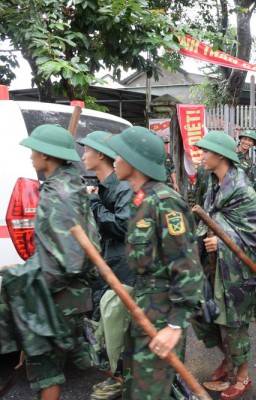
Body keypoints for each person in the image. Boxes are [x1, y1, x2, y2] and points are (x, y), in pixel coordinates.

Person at [0, 124, 100, 400]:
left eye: (34, 150)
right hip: (67, 295)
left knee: (47, 370)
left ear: (46, 155)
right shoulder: (68, 182)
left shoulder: (59, 194)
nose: (31, 156)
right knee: (52, 363)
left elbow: (68, 259)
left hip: (59, 297)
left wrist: (24, 276)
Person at [106, 126, 204, 399]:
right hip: (142, 309)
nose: (114, 158)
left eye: (120, 153)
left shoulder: (165, 203)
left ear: (135, 161)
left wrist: (174, 326)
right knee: (136, 390)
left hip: (162, 316)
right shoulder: (142, 200)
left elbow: (188, 268)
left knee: (153, 393)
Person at [193, 131, 256, 400]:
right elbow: (209, 216)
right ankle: (229, 361)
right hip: (216, 267)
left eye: (206, 152)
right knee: (206, 316)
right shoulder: (214, 181)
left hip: (237, 270)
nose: (201, 156)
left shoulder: (241, 188)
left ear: (220, 156)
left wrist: (222, 243)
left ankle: (243, 376)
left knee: (233, 324)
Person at [79, 131, 134, 400]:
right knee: (102, 322)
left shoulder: (121, 187)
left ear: (100, 154)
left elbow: (123, 225)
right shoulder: (103, 186)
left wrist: (94, 202)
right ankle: (116, 376)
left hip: (121, 264)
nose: (82, 156)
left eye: (86, 150)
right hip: (105, 261)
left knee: (116, 324)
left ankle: (120, 379)